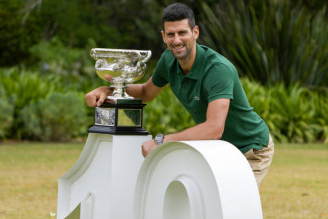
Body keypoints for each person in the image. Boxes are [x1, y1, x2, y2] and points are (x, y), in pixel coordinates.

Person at [85, 3, 274, 187]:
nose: (176, 40)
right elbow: (145, 92)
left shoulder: (217, 70)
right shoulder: (168, 61)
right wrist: (110, 89)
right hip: (219, 149)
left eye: (182, 32)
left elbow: (214, 128)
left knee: (231, 207)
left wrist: (161, 141)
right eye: (171, 34)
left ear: (195, 32)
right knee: (204, 204)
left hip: (251, 148)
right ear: (163, 36)